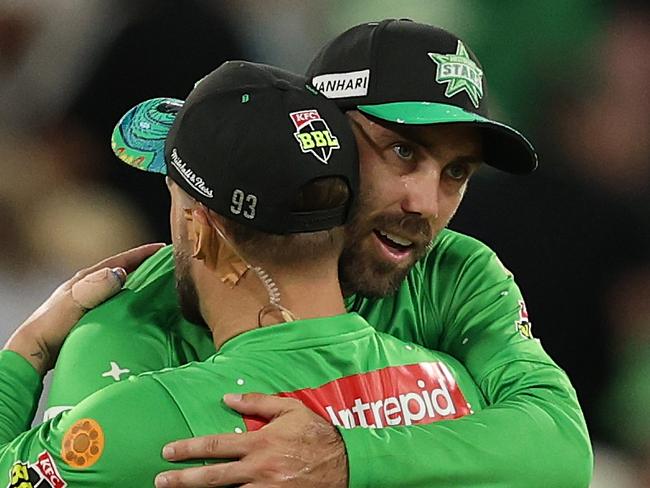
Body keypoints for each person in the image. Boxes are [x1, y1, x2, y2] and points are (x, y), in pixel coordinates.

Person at [46, 20, 593, 488]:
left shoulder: (455, 273)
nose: (425, 203)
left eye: (456, 173)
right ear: (316, 131)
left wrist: (346, 458)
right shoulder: (152, 300)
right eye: (402, 151)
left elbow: (560, 445)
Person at [0, 61, 487, 487]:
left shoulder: (152, 420)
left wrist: (31, 346)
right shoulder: (455, 389)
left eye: (176, 200)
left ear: (201, 231)